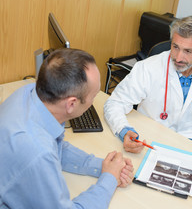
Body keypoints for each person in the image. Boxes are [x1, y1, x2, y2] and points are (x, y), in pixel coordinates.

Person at [104, 16, 192, 167]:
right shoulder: (148, 68)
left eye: (188, 51)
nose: (179, 57)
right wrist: (124, 131)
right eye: (175, 47)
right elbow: (114, 104)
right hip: (151, 135)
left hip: (188, 135)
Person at [0, 49, 134, 208]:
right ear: (71, 104)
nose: (93, 102)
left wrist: (104, 167)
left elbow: (55, 145)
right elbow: (44, 153)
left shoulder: (28, 93)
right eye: (93, 96)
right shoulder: (38, 152)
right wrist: (109, 179)